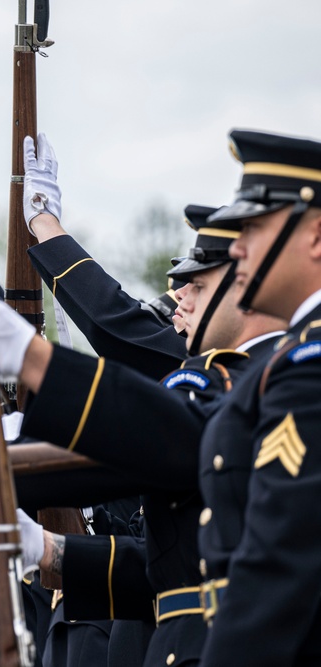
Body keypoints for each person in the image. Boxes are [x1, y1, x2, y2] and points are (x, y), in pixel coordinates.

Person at [0, 187, 287, 665]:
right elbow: (165, 571)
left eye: (199, 284)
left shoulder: (259, 379)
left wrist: (27, 371)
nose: (179, 296)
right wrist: (49, 549)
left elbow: (121, 339)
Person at [193, 129, 321, 665]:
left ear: (315, 235)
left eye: (253, 226)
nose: (237, 246)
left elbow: (279, 563)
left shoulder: (306, 364)